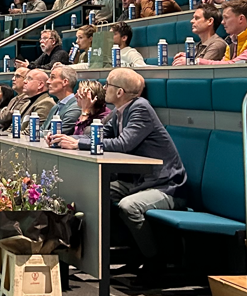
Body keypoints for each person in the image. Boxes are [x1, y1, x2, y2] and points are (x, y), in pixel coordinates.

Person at [48, 68, 187, 265]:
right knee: (91, 194)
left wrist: (78, 144)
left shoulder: (140, 108)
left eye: (108, 85)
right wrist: (65, 138)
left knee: (129, 206)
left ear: (120, 92)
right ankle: (110, 254)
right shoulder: (119, 111)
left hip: (164, 185)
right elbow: (98, 135)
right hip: (136, 180)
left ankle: (156, 261)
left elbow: (123, 143)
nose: (104, 89)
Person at [194, 0, 247, 64]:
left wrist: (196, 61)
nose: (222, 22)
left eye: (226, 18)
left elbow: (233, 64)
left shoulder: (225, 43)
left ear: (241, 19)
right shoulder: (232, 43)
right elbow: (222, 67)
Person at [42, 66, 81, 135]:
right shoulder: (56, 107)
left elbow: (56, 134)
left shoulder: (76, 107)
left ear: (65, 82)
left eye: (52, 77)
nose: (48, 82)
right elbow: (42, 129)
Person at [16, 69, 55, 135]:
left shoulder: (46, 103)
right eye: (25, 78)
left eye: (29, 79)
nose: (24, 81)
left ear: (40, 85)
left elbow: (31, 133)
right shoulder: (26, 103)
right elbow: (13, 128)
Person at [0, 67, 30, 131]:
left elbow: (6, 118)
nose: (13, 79)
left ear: (26, 80)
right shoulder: (13, 99)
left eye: (17, 76)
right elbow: (2, 118)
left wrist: (5, 112)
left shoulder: (28, 99)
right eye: (13, 76)